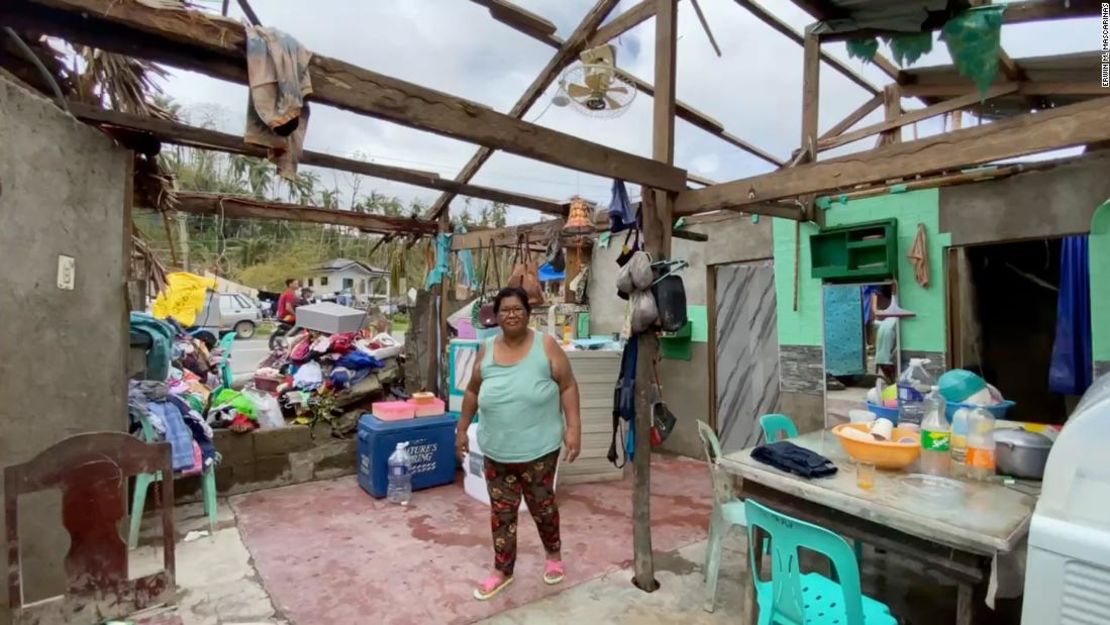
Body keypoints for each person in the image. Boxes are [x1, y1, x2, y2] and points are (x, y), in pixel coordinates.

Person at [455, 286, 581, 601]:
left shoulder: (546, 345)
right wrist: (461, 430)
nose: (511, 314)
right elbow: (472, 391)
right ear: (495, 317)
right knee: (502, 513)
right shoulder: (485, 350)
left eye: (517, 309)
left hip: (539, 450)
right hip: (496, 450)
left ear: (527, 314)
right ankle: (502, 570)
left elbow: (567, 386)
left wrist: (574, 428)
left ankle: (553, 556)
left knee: (543, 508)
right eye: (505, 310)